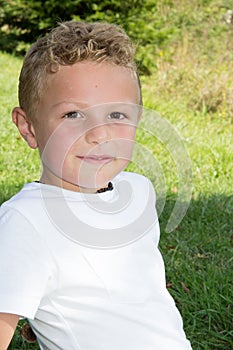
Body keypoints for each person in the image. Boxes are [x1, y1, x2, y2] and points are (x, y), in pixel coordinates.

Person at [0, 21, 192, 350]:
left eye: (117, 115)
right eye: (73, 115)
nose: (100, 134)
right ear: (29, 128)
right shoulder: (26, 221)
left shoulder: (138, 192)